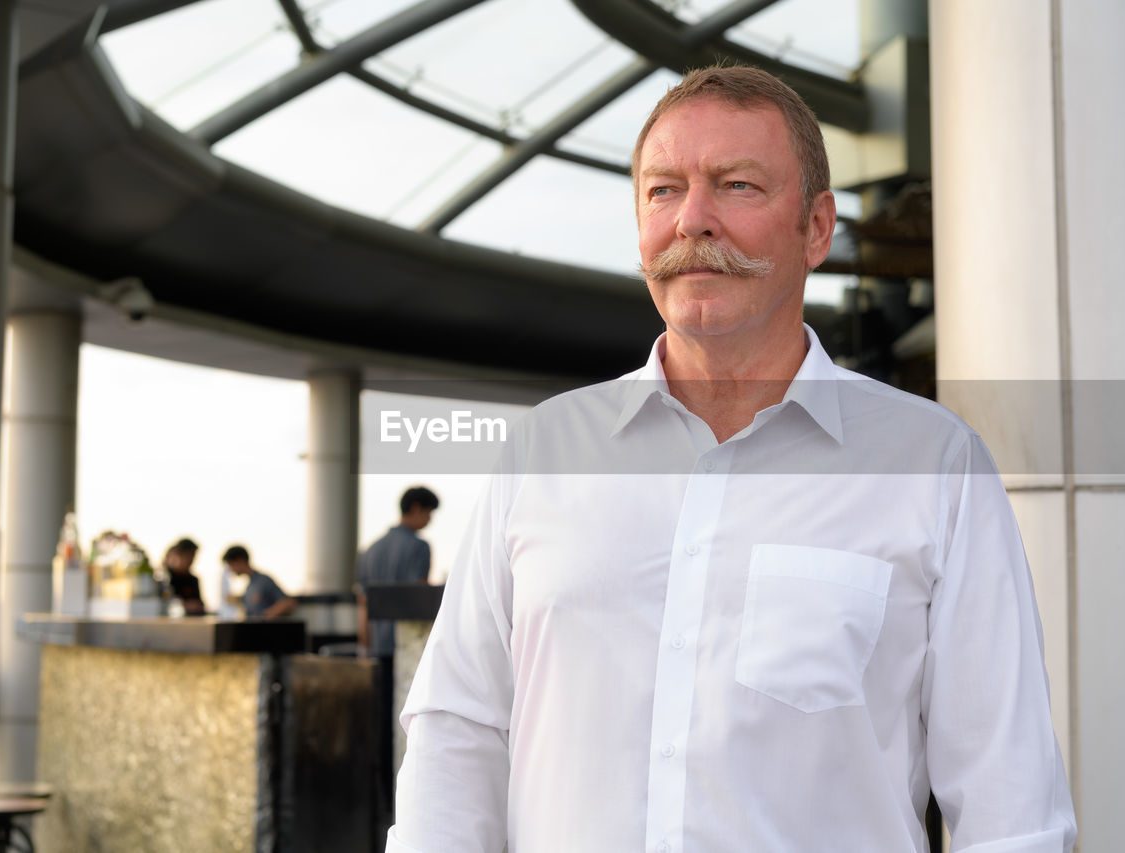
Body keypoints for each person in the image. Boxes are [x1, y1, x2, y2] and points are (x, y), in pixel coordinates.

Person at [388, 66, 1077, 853]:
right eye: (663, 190)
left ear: (816, 228)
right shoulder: (544, 452)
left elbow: (1010, 805)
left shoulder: (934, 465)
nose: (694, 221)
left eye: (738, 185)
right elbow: (459, 731)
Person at [356, 486, 440, 657]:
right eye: (429, 513)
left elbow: (363, 602)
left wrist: (365, 644)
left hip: (376, 644)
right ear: (416, 508)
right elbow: (420, 593)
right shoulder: (419, 546)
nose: (430, 520)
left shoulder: (370, 550)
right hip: (408, 644)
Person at [221, 545, 296, 621]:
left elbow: (288, 603)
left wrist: (264, 617)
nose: (231, 569)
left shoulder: (263, 580)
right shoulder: (249, 586)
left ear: (240, 560)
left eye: (231, 565)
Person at [161, 537, 205, 615]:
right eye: (188, 557)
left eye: (193, 557)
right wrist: (183, 605)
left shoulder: (193, 579)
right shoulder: (166, 577)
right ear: (178, 555)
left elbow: (200, 605)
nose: (191, 561)